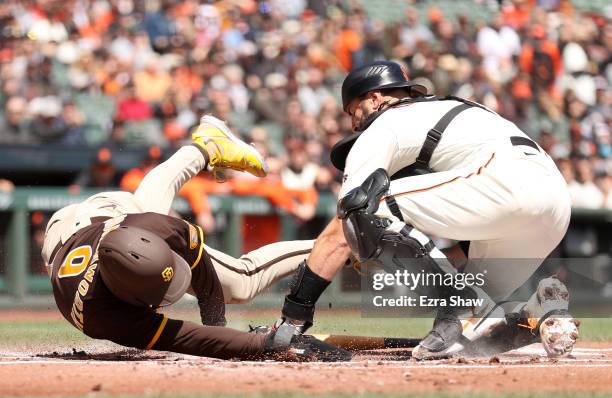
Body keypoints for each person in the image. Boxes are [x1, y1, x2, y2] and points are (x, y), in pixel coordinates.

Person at [267, 60, 579, 359]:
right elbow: (458, 247)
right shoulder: (453, 110)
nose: (353, 123)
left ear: (374, 98)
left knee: (361, 211)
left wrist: (293, 314)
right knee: (464, 338)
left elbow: (347, 217)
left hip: (505, 182)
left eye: (352, 111)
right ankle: (537, 314)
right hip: (554, 205)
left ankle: (291, 324)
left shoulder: (385, 124)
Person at [41, 115, 350, 362]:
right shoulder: (108, 318)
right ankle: (204, 147)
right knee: (240, 283)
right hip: (65, 238)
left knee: (240, 281)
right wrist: (268, 344)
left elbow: (200, 277)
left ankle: (343, 243)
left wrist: (218, 322)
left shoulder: (156, 228)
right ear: (132, 299)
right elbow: (191, 338)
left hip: (110, 217)